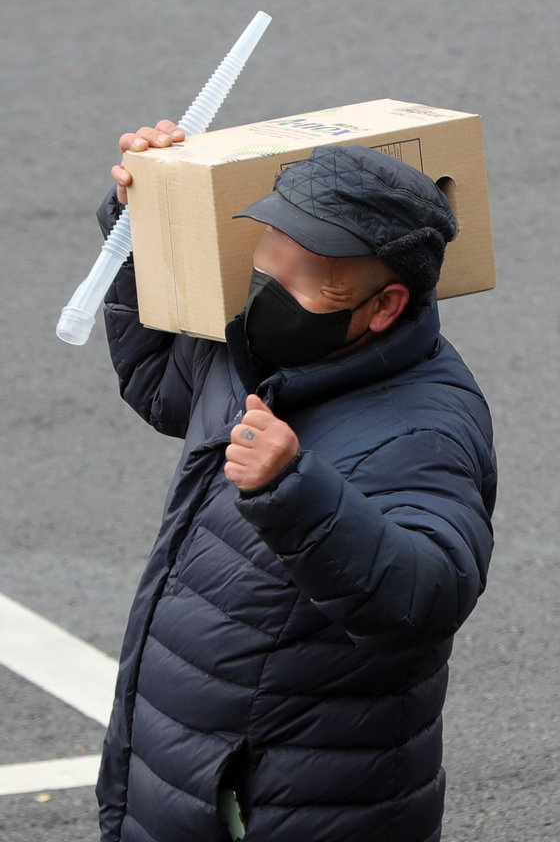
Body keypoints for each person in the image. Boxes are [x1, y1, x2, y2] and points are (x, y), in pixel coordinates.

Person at [95, 120, 497, 842]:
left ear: (386, 306)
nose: (270, 278)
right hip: (186, 764)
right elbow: (163, 385)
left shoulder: (422, 428)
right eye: (269, 248)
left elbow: (427, 597)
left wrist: (293, 489)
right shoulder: (258, 344)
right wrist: (140, 222)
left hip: (301, 798)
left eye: (307, 273)